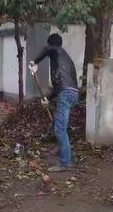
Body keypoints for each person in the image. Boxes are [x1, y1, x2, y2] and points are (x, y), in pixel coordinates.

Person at [29, 33, 79, 172]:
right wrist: (48, 98)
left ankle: (65, 163)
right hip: (72, 93)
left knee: (59, 128)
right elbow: (61, 84)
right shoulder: (66, 58)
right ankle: (59, 149)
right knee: (59, 124)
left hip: (65, 93)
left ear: (51, 44)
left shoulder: (55, 50)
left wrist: (34, 62)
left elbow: (48, 49)